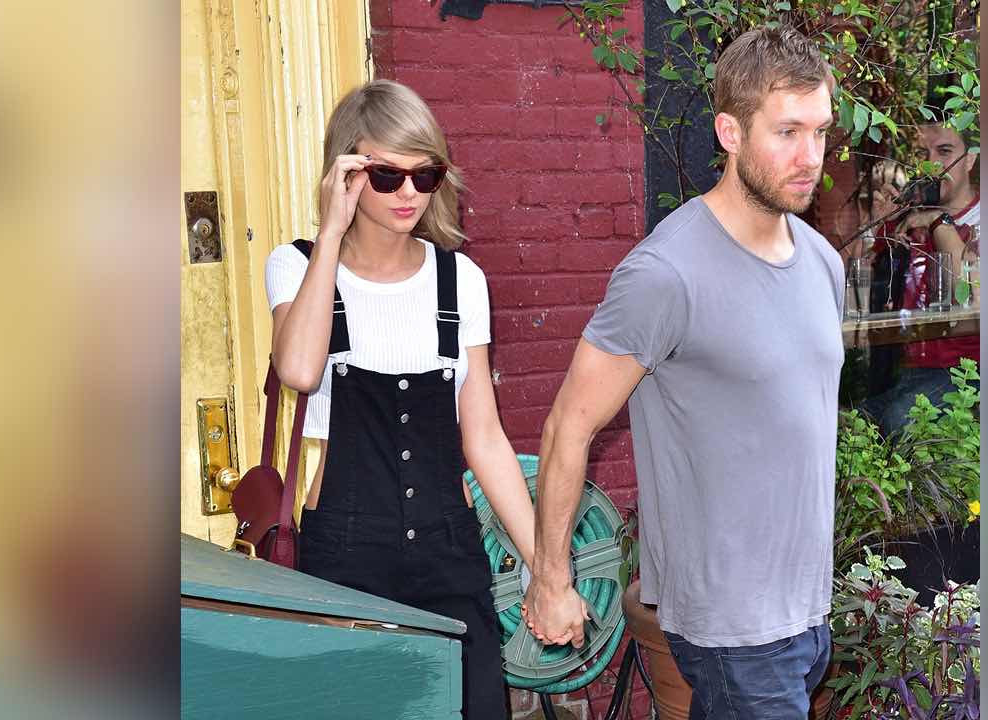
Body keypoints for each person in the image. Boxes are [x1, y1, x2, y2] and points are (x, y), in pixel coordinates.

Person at [522, 27, 843, 720]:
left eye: (820, 132)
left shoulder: (822, 261)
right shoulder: (665, 274)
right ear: (729, 130)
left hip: (807, 611)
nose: (809, 157)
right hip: (732, 626)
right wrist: (552, 579)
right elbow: (567, 427)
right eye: (786, 132)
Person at [265, 79, 534, 720]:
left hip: (449, 552)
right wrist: (330, 235)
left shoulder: (459, 278)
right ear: (346, 173)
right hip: (345, 551)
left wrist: (544, 565)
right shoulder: (297, 265)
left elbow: (485, 436)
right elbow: (299, 370)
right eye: (386, 176)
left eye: (425, 174)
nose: (409, 193)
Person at [860, 115, 980, 436]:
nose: (930, 165)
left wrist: (940, 223)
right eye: (922, 155)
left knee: (897, 421)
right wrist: (876, 227)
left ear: (969, 160)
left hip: (967, 375)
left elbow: (966, 297)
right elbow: (856, 280)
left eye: (943, 152)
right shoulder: (908, 218)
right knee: (849, 424)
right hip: (908, 371)